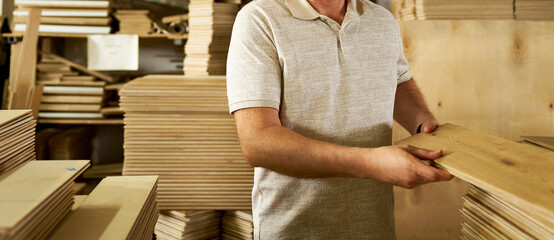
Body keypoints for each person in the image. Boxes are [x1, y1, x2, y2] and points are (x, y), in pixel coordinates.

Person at [226, 0, 453, 239]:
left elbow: (398, 81)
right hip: (295, 228)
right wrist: (370, 164)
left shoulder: (381, 20)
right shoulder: (258, 19)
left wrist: (424, 124)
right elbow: (256, 142)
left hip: (375, 226)